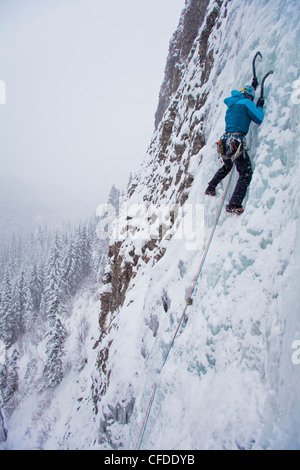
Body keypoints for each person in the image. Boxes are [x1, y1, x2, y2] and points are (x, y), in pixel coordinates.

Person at [205, 85, 264, 214]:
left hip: (225, 142)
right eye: (251, 98)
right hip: (235, 142)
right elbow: (259, 118)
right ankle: (234, 204)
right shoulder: (246, 102)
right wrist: (259, 106)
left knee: (227, 167)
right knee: (245, 173)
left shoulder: (232, 105)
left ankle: (211, 187)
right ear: (249, 96)